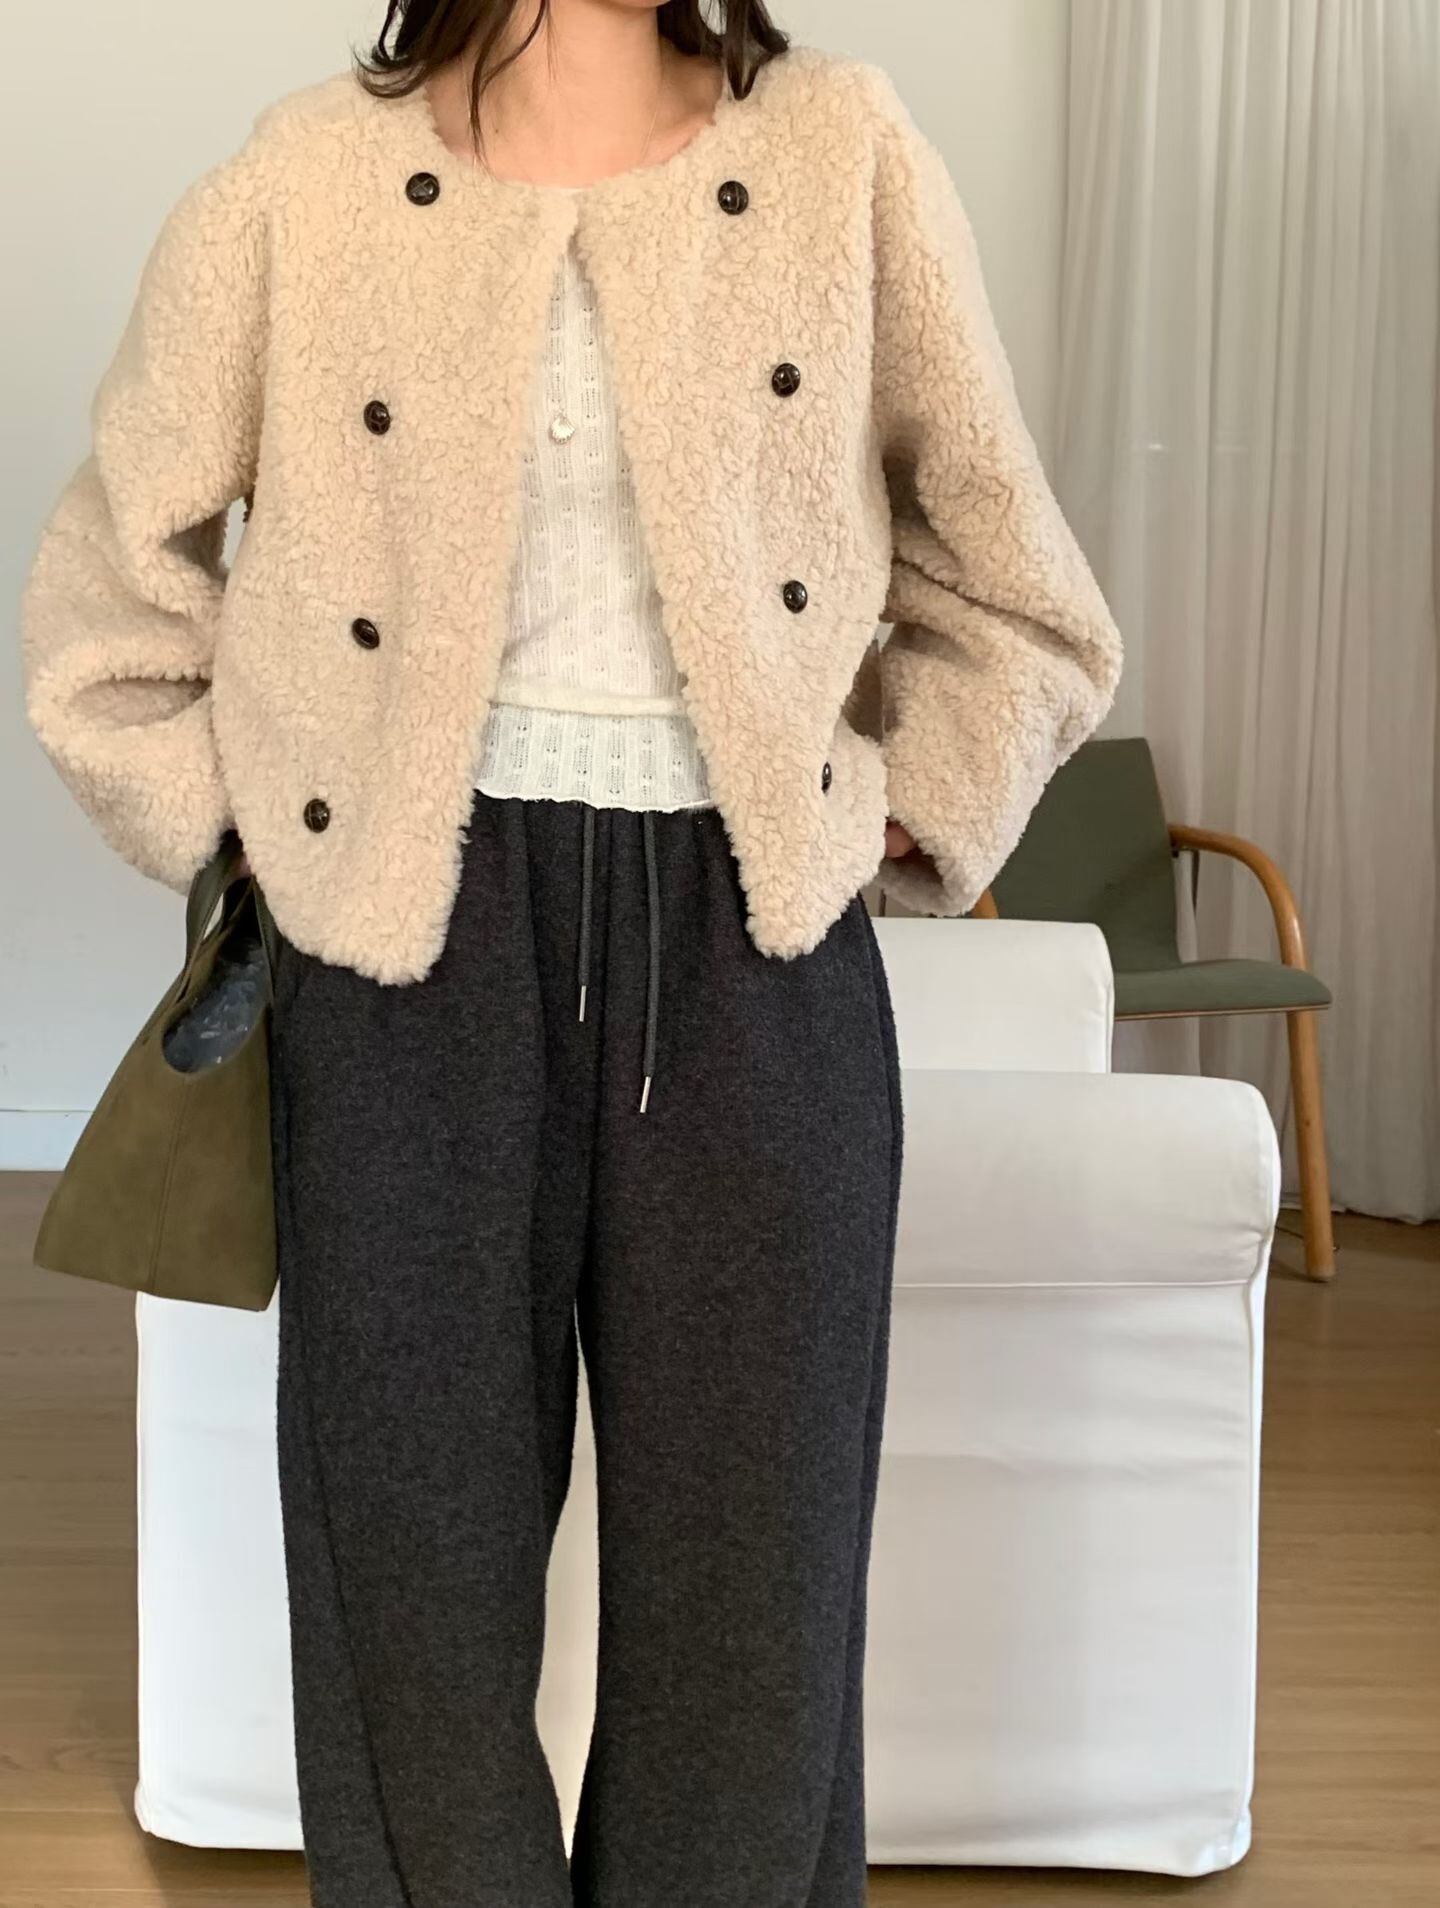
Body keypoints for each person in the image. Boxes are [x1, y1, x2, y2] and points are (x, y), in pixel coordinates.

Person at [20, 2, 1122, 1902]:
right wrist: (275, 834)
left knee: (755, 1617)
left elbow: (1021, 593)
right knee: (410, 1605)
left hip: (753, 952)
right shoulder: (303, 182)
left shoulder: (844, 155)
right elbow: (109, 604)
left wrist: (887, 811)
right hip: (407, 958)